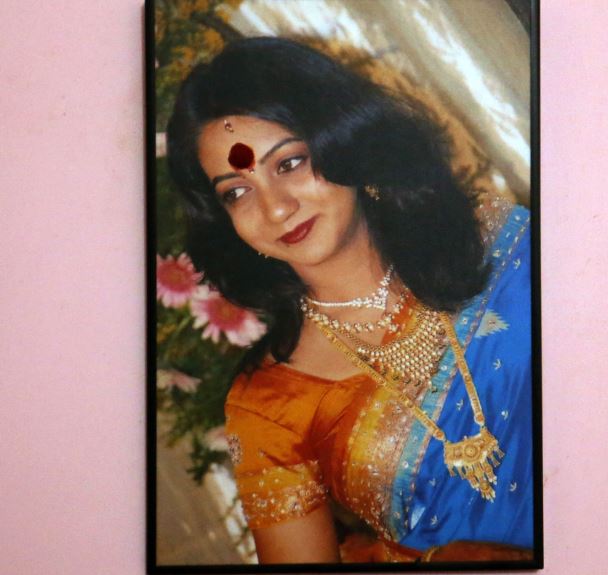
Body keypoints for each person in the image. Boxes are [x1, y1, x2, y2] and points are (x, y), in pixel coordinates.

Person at [166, 37, 533, 564]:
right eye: (237, 192)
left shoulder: (499, 242)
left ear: (346, 142)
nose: (276, 208)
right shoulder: (269, 404)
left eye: (289, 163)